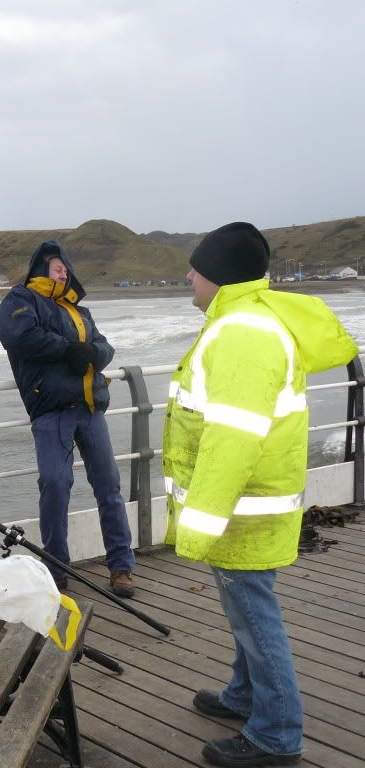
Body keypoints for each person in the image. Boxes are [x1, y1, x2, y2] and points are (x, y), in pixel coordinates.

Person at [164, 222, 358, 766]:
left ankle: (277, 734)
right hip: (249, 508)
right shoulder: (247, 321)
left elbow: (232, 441)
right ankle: (244, 695)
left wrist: (199, 527)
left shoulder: (241, 334)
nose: (189, 276)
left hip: (242, 513)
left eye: (197, 268)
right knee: (245, 613)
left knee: (255, 619)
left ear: (219, 276)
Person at [0, 240, 136, 597]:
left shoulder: (79, 311)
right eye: (56, 268)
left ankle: (121, 566)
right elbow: (19, 336)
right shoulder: (21, 299)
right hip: (51, 411)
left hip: (90, 409)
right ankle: (56, 569)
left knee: (109, 487)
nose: (63, 273)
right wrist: (69, 349)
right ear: (41, 269)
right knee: (55, 486)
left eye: (65, 268)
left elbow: (105, 346)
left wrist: (91, 353)